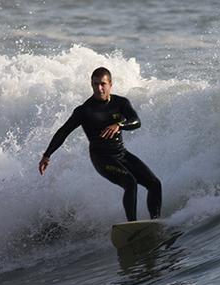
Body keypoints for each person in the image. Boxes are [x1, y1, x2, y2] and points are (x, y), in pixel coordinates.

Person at [38, 67, 162, 222]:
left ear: (110, 84)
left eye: (102, 84)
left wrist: (119, 125)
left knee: (155, 184)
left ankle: (156, 221)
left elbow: (136, 121)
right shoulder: (84, 110)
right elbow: (63, 131)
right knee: (130, 183)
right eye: (95, 84)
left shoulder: (121, 103)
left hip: (121, 154)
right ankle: (132, 226)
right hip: (101, 158)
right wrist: (47, 155)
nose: (99, 88)